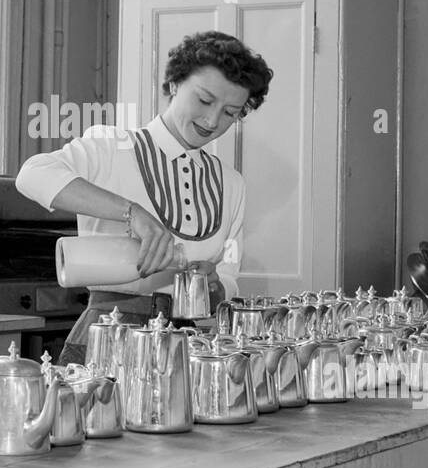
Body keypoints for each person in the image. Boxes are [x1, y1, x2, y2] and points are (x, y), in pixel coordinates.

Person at [16, 30, 274, 364]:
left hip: (189, 344)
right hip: (110, 332)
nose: (213, 121)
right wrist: (131, 212)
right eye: (205, 100)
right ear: (174, 84)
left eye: (230, 112)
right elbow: (33, 173)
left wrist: (215, 286)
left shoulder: (231, 183)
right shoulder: (110, 147)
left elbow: (229, 273)